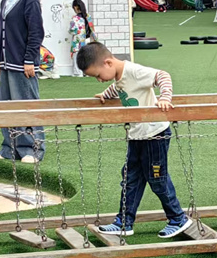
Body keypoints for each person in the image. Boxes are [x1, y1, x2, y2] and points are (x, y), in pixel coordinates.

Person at [76, 42, 192, 239]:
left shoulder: (134, 71)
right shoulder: (119, 76)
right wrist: (106, 94)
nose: (99, 80)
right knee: (130, 179)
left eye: (98, 75)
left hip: (154, 134)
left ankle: (178, 218)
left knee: (157, 178)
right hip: (137, 136)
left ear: (108, 63)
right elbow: (121, 89)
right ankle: (124, 222)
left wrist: (165, 98)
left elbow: (162, 75)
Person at [0, 0, 45, 163]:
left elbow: (36, 32)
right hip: (7, 63)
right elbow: (0, 29)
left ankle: (33, 150)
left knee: (27, 105)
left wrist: (29, 59)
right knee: (6, 106)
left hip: (23, 64)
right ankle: (10, 149)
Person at [69, 0, 95, 77]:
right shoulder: (88, 17)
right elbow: (92, 29)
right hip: (87, 39)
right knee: (86, 57)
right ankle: (87, 72)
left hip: (78, 41)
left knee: (77, 57)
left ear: (75, 7)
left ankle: (78, 73)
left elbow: (72, 30)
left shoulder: (75, 18)